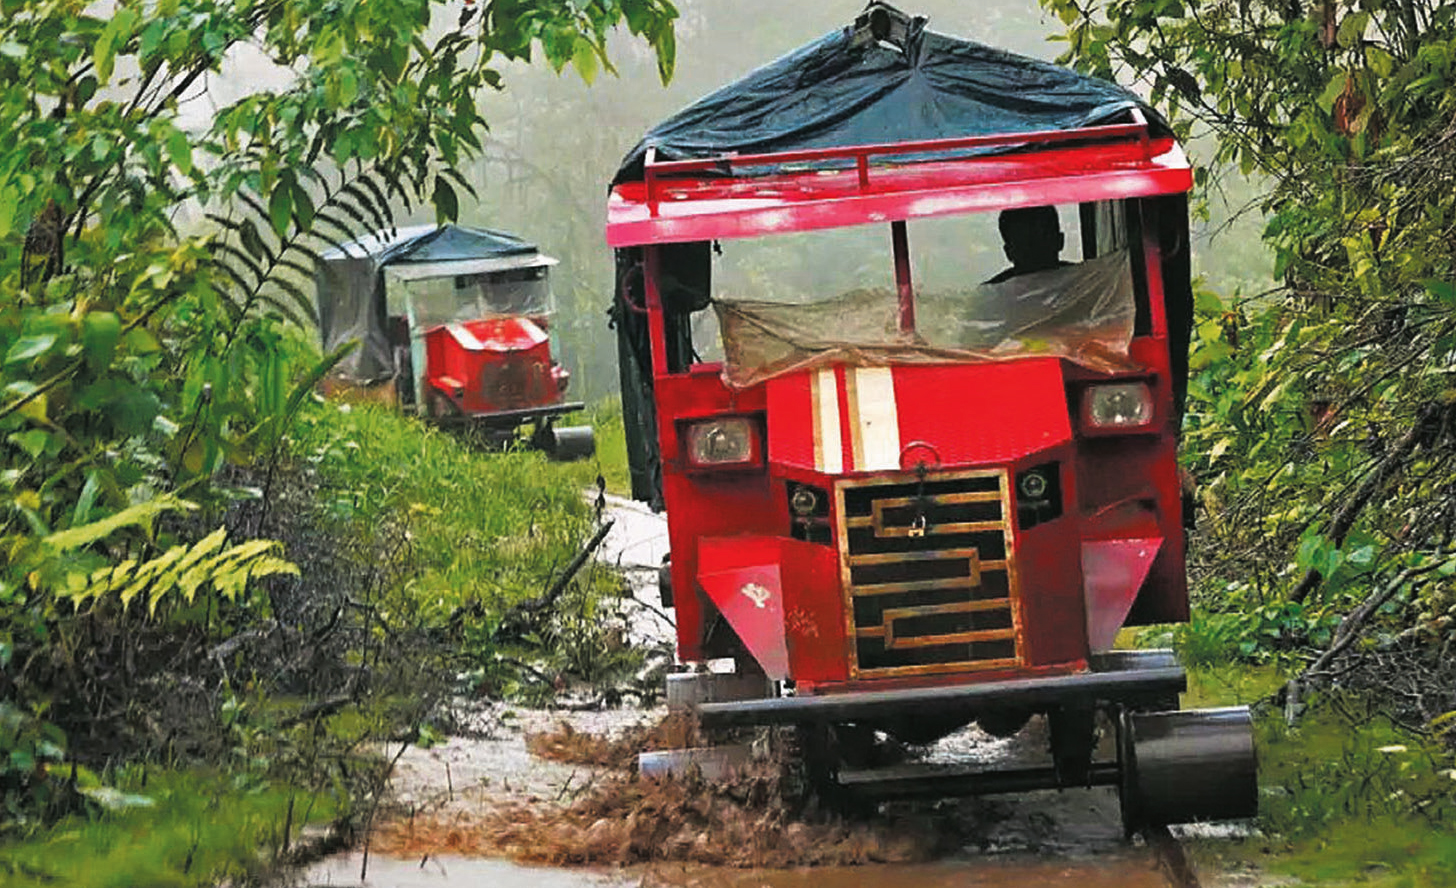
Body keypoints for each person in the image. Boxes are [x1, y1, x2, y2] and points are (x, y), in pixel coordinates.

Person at [986, 205, 1071, 284]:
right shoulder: (1080, 284)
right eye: (1026, 244)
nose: (1036, 252)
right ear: (1060, 241)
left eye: (1040, 240)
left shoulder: (991, 295)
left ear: (1008, 253)